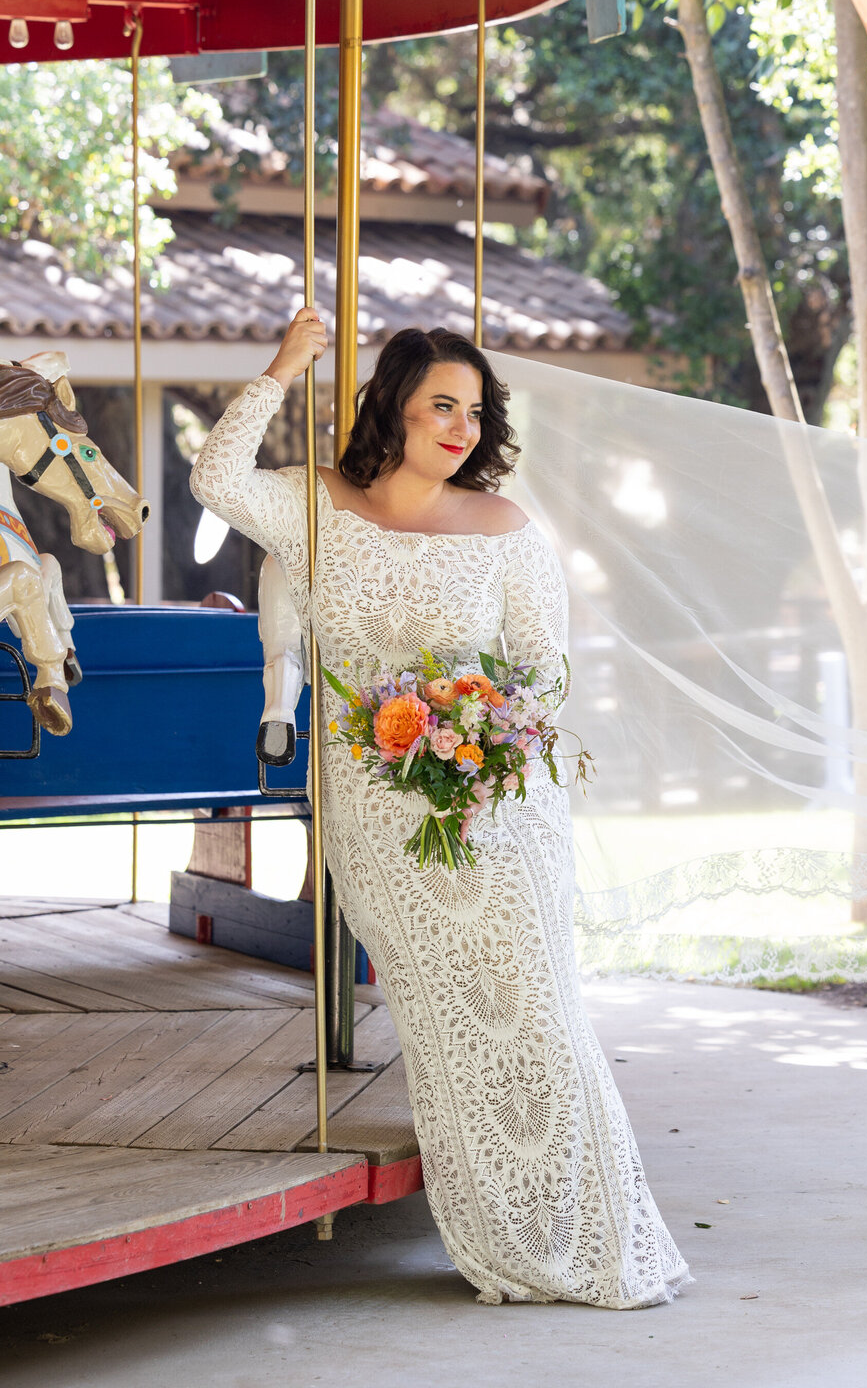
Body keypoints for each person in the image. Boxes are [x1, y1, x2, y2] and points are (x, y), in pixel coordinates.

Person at [190, 309, 691, 1309]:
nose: (462, 426)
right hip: (380, 819)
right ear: (394, 409)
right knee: (452, 1025)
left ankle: (588, 1231)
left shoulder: (506, 531)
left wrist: (477, 746)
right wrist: (285, 368)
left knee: (541, 1012)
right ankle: (506, 1238)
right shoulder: (312, 506)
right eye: (441, 406)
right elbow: (214, 482)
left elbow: (542, 680)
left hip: (499, 813)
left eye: (475, 409)